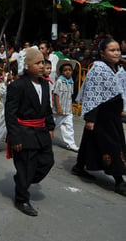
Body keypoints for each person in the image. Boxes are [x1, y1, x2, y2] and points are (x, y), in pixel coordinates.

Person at [72, 39, 126, 196]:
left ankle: (79, 166)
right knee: (113, 145)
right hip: (101, 116)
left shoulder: (118, 70)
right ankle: (119, 181)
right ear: (102, 53)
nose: (116, 53)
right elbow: (92, 95)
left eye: (117, 50)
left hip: (114, 116)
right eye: (112, 50)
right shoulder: (98, 69)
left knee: (89, 140)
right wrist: (90, 118)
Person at [5, 48, 55, 216]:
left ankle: (22, 180)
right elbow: (10, 114)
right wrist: (15, 137)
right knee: (26, 165)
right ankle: (22, 199)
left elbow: (47, 107)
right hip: (24, 132)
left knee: (47, 161)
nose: (42, 66)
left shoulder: (46, 84)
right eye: (38, 63)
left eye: (43, 62)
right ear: (26, 66)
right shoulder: (17, 86)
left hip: (41, 130)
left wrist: (50, 126)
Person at [0, 60, 19, 152]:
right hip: (8, 107)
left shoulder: (22, 82)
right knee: (2, 125)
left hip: (18, 108)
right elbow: (2, 93)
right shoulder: (8, 80)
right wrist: (7, 83)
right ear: (14, 74)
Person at [53, 59, 79, 151]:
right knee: (53, 125)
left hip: (68, 109)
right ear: (61, 71)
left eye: (69, 70)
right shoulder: (60, 81)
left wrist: (71, 105)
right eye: (65, 70)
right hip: (59, 109)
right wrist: (58, 107)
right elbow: (56, 95)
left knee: (69, 126)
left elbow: (70, 95)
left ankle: (71, 144)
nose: (68, 72)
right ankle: (43, 138)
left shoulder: (71, 81)